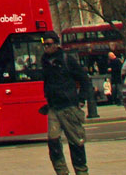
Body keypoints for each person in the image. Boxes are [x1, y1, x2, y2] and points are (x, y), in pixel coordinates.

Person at [39, 36, 91, 175]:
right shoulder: (45, 61)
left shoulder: (67, 60)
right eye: (44, 44)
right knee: (53, 142)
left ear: (56, 44)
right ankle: (62, 172)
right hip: (54, 107)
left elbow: (84, 79)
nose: (46, 47)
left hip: (69, 107)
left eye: (49, 44)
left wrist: (81, 98)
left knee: (76, 143)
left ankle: (81, 172)